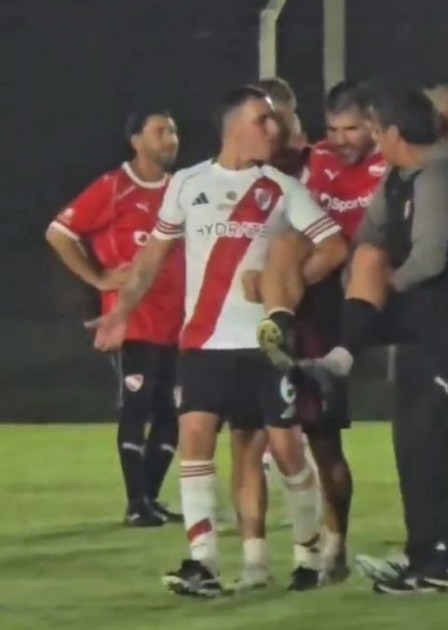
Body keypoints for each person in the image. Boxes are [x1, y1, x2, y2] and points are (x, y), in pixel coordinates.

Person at [87, 85, 348, 596]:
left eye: (274, 120)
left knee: (287, 450)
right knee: (195, 440)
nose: (274, 128)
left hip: (266, 345)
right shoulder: (188, 184)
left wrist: (284, 287)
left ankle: (307, 554)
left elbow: (334, 247)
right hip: (204, 342)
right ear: (233, 127)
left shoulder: (282, 188)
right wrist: (121, 312)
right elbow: (151, 259)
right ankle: (202, 561)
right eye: (263, 119)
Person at [300, 87, 448, 595]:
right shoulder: (398, 177)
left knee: (427, 442)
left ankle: (444, 558)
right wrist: (363, 276)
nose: (371, 138)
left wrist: (385, 286)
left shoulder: (440, 175)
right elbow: (368, 239)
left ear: (393, 132)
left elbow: (430, 260)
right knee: (411, 441)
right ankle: (426, 552)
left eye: (374, 128)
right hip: (421, 330)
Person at [254, 79, 387, 581]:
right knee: (253, 435)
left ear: (374, 124)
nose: (341, 139)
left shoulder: (393, 164)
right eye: (334, 129)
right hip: (303, 305)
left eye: (351, 129)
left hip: (343, 307)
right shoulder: (312, 161)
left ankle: (335, 543)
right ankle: (256, 556)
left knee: (324, 437)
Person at [46, 109, 183, 527]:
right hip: (132, 320)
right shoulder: (114, 187)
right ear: (136, 141)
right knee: (137, 408)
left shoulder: (181, 189)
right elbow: (59, 233)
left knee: (173, 413)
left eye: (173, 131)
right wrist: (99, 279)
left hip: (177, 322)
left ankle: (149, 500)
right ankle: (136, 503)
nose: (170, 139)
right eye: (160, 131)